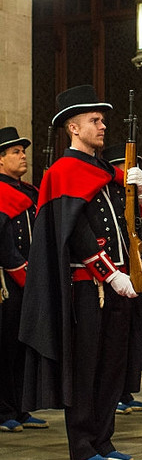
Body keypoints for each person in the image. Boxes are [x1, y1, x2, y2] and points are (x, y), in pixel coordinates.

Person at [19, 85, 142, 460]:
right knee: (86, 367)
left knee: (112, 367)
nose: (103, 125)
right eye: (95, 120)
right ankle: (83, 445)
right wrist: (109, 273)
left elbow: (126, 225)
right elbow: (75, 234)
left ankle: (104, 439)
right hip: (90, 288)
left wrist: (139, 192)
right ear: (73, 127)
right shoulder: (64, 171)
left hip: (119, 285)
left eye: (102, 119)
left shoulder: (104, 171)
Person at [0, 127, 47, 434]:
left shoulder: (29, 191)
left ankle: (21, 406)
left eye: (23, 150)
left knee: (22, 346)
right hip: (8, 281)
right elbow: (5, 245)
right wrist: (26, 278)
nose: (22, 155)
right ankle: (3, 410)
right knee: (4, 348)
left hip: (30, 278)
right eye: (15, 151)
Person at [101, 143, 142, 416]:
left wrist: (141, 193)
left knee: (130, 338)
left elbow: (137, 223)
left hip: (129, 270)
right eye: (123, 166)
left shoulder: (125, 193)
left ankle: (126, 390)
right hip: (109, 275)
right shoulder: (107, 192)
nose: (127, 171)